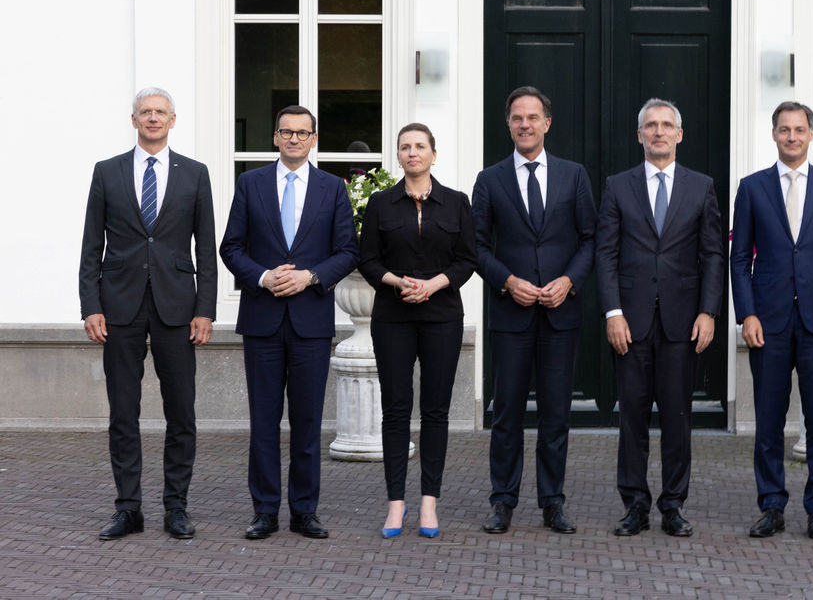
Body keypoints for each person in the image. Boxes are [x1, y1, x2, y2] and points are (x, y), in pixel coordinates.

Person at [79, 87, 216, 541]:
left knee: (182, 414)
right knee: (123, 412)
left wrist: (206, 310)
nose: (153, 119)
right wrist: (90, 306)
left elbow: (206, 250)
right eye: (146, 113)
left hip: (178, 307)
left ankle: (176, 507)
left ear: (173, 120)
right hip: (119, 306)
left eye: (161, 112)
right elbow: (90, 247)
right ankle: (128, 508)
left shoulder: (195, 174)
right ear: (133, 119)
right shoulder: (107, 172)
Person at [219, 105, 359, 540]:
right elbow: (231, 247)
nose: (295, 139)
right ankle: (264, 511)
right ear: (275, 137)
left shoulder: (333, 189)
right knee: (263, 423)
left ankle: (304, 511)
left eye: (303, 133)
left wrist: (310, 276)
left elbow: (347, 251)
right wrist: (262, 277)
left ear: (314, 139)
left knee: (308, 422)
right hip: (262, 320)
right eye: (286, 132)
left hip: (311, 322)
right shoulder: (251, 183)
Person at [729, 101, 813, 540]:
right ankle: (771, 505)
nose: (791, 137)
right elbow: (740, 256)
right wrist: (746, 313)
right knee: (768, 419)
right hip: (768, 321)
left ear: (811, 134)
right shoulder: (751, 188)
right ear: (773, 134)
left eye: (799, 129)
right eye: (784, 129)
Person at [596, 99, 724, 538]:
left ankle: (673, 504)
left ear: (679, 134)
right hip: (629, 324)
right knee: (631, 417)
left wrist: (708, 311)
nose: (658, 132)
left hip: (681, 323)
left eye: (667, 125)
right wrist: (612, 311)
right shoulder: (617, 186)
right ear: (639, 135)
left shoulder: (701, 186)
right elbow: (606, 253)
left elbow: (712, 254)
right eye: (650, 126)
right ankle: (634, 504)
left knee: (677, 417)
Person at [471, 86, 597, 534]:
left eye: (533, 117)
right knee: (505, 412)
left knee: (555, 413)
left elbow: (590, 239)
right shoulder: (489, 180)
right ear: (508, 124)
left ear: (547, 122)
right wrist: (508, 282)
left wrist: (569, 282)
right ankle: (503, 501)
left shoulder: (574, 175)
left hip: (561, 314)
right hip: (511, 314)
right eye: (517, 118)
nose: (525, 124)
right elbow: (477, 247)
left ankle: (552, 502)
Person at [358, 123, 477, 539]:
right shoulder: (380, 203)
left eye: (420, 146)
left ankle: (429, 503)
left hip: (442, 315)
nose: (413, 153)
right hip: (393, 316)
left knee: (435, 410)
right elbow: (368, 261)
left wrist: (433, 284)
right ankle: (395, 505)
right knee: (395, 409)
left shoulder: (457, 203)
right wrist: (398, 282)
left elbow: (467, 260)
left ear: (433, 154)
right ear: (398, 155)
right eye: (405, 147)